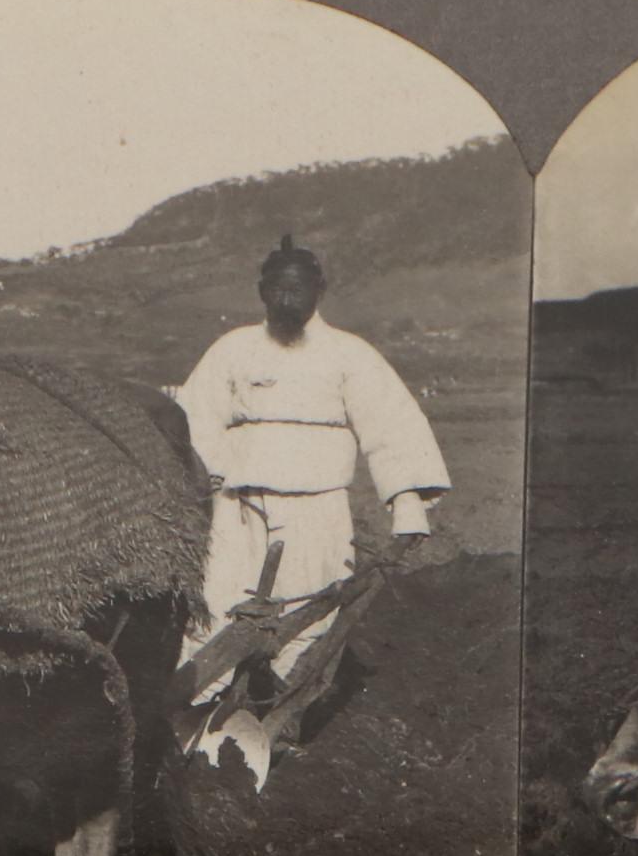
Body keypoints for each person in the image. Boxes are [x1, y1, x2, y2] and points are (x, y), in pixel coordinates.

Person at [168, 236, 451, 785]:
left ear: (319, 291)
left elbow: (390, 429)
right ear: (261, 293)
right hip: (240, 506)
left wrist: (407, 505)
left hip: (317, 509)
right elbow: (195, 419)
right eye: (277, 287)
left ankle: (279, 724)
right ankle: (198, 725)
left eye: (298, 287)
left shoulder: (350, 355)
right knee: (215, 607)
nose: (287, 297)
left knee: (310, 616)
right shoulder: (232, 350)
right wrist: (210, 476)